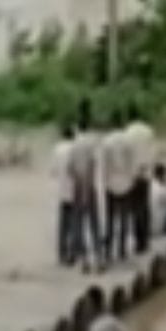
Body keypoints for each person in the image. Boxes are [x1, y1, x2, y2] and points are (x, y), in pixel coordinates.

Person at [69, 101, 101, 270]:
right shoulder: (91, 142)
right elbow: (92, 165)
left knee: (78, 223)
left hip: (77, 186)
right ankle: (97, 256)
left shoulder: (74, 144)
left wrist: (78, 185)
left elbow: (70, 168)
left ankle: (82, 258)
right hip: (88, 186)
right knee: (93, 223)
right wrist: (87, 189)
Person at [101, 110, 135, 265]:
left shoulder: (106, 142)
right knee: (124, 218)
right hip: (125, 183)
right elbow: (131, 163)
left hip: (111, 183)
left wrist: (104, 182)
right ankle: (122, 250)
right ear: (122, 123)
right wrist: (131, 180)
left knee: (110, 219)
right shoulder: (128, 141)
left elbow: (104, 166)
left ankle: (108, 251)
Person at [125, 104, 155, 255]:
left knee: (134, 209)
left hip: (132, 176)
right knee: (145, 207)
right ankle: (145, 240)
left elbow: (126, 156)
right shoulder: (148, 131)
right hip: (146, 174)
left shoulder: (126, 133)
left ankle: (138, 242)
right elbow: (153, 152)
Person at [52, 122, 76, 266]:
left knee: (63, 224)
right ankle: (72, 253)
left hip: (61, 190)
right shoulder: (75, 148)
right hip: (74, 190)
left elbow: (54, 171)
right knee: (74, 223)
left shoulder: (57, 149)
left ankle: (62, 253)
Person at [150, 163, 166, 238]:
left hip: (150, 224)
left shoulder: (150, 185)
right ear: (162, 175)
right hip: (159, 226)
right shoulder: (162, 188)